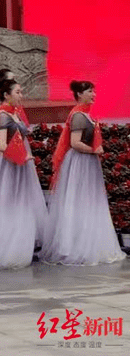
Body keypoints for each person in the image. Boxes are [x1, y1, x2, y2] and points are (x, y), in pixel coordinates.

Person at [41, 81, 125, 266]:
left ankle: (92, 241)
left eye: (94, 90)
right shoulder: (78, 115)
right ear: (79, 94)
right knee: (79, 199)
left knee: (91, 200)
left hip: (88, 162)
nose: (94, 94)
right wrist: (94, 151)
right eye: (89, 91)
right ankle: (74, 245)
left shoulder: (88, 114)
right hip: (80, 162)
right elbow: (75, 142)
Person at [0, 79, 47, 269]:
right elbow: (0, 145)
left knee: (20, 203)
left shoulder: (14, 113)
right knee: (7, 203)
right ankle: (4, 246)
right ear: (6, 95)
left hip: (19, 164)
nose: (21, 95)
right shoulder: (4, 115)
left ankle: (19, 244)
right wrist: (21, 156)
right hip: (8, 165)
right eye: (18, 92)